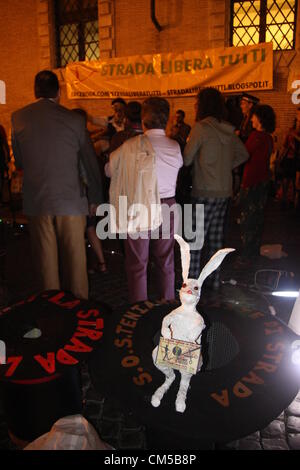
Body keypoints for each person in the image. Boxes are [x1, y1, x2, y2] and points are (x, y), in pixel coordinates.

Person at [11, 70, 103, 299]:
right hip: (71, 201)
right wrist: (95, 199)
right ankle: (81, 307)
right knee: (76, 263)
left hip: (38, 200)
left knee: (46, 264)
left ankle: (51, 308)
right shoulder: (74, 120)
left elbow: (20, 160)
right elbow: (90, 163)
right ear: (59, 92)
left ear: (35, 92)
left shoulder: (19, 117)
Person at [107, 97, 183, 303]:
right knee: (165, 260)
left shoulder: (130, 146)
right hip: (167, 205)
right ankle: (166, 302)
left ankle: (139, 307)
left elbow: (109, 170)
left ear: (143, 121)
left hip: (140, 205)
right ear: (166, 120)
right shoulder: (175, 146)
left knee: (137, 262)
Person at [183, 87, 249, 289]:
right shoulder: (228, 129)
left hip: (204, 191)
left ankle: (191, 284)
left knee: (194, 240)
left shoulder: (200, 128)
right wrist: (223, 166)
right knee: (215, 238)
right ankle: (214, 281)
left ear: (202, 105)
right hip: (224, 191)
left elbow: (186, 159)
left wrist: (207, 167)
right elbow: (244, 154)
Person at [238, 104, 276, 263]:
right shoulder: (268, 137)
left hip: (252, 182)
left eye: (253, 116)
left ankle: (246, 254)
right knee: (258, 219)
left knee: (247, 219)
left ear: (259, 119)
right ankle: (253, 251)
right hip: (263, 181)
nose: (251, 119)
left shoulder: (256, 136)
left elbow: (243, 154)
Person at [73, 108, 107, 274]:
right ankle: (99, 263)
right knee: (89, 229)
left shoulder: (80, 138)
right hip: (87, 194)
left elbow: (91, 169)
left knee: (87, 229)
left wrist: (94, 198)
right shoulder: (83, 136)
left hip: (84, 193)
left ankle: (94, 264)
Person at [279, 108, 300, 208]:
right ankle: (284, 198)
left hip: (298, 158)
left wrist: (295, 137)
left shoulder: (294, 133)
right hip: (289, 157)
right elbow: (284, 145)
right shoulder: (291, 130)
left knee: (296, 180)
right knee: (285, 178)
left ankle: (294, 200)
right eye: (298, 114)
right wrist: (280, 156)